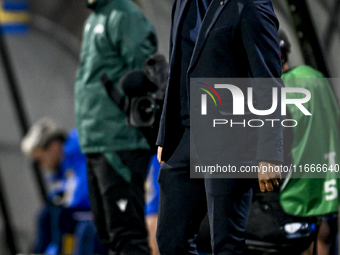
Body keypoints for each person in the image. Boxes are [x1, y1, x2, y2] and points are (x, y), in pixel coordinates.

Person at [156, 0, 283, 254]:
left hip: (230, 138)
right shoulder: (183, 3)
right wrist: (165, 133)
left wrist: (269, 151)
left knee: (226, 244)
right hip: (184, 135)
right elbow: (176, 68)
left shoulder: (250, 5)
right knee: (171, 240)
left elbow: (268, 80)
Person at [74, 0, 157, 254]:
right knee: (108, 232)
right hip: (96, 141)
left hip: (120, 141)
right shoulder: (94, 19)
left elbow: (145, 74)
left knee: (126, 233)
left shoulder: (123, 14)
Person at [278, 30, 340, 255]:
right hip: (328, 179)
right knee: (325, 238)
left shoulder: (278, 88)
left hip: (295, 191)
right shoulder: (314, 76)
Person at [21, 118, 106, 255]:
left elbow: (80, 197)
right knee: (48, 213)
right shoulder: (65, 164)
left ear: (54, 146)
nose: (42, 166)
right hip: (91, 213)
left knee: (65, 218)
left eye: (40, 160)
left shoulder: (78, 153)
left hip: (100, 214)